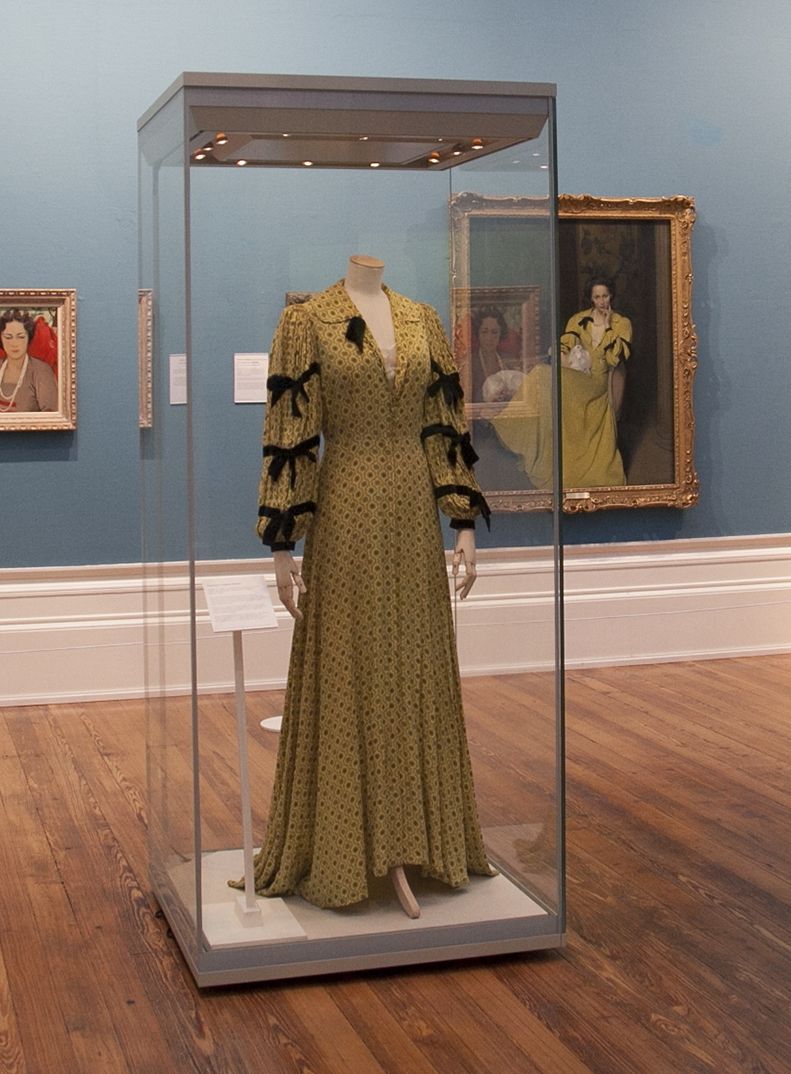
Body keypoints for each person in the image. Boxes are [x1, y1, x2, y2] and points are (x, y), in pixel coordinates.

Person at [235, 255, 494, 914]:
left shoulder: (421, 319)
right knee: (351, 665)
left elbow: (444, 425)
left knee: (412, 664)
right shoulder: (308, 321)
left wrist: (461, 522)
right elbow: (290, 432)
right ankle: (344, 846)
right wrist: (282, 546)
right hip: (345, 504)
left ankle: (421, 839)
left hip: (411, 512)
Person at [492, 277, 631, 489]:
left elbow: (614, 359)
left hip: (597, 383)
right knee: (542, 375)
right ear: (591, 299)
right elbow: (563, 348)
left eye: (605, 296)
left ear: (611, 296)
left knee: (543, 376)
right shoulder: (578, 319)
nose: (601, 301)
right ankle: (516, 431)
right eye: (597, 297)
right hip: (577, 374)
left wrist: (609, 324)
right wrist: (565, 359)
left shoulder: (622, 323)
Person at [0, 309, 58, 413]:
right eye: (8, 337)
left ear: (28, 338)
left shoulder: (42, 371)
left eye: (21, 337)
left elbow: (52, 416)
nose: (14, 343)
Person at [473, 306, 525, 404]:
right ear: (478, 333)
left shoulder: (509, 360)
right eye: (484, 332)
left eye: (494, 332)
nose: (489, 337)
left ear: (500, 334)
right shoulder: (469, 363)